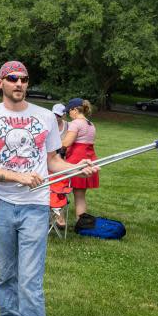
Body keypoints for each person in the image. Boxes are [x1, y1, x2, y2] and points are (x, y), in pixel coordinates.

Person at [0, 60, 97, 316]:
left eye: (24, 79)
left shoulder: (43, 118)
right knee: (6, 275)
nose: (19, 83)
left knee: (29, 281)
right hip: (2, 204)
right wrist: (17, 177)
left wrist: (77, 167)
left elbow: (52, 161)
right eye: (12, 78)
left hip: (36, 207)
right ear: (1, 83)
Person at [62, 98, 100, 230]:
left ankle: (59, 218)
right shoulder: (90, 124)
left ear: (74, 109)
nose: (68, 114)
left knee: (61, 189)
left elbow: (66, 143)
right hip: (89, 158)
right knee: (80, 195)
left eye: (69, 111)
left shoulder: (76, 123)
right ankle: (81, 223)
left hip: (77, 159)